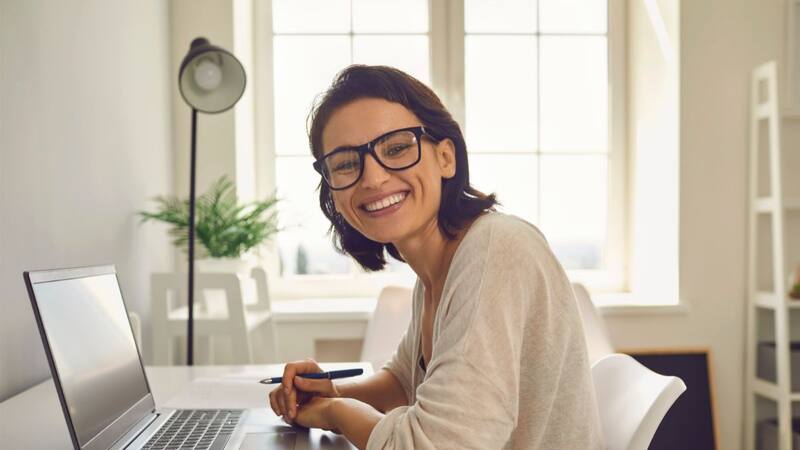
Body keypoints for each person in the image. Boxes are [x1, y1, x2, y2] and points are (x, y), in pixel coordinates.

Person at [268, 64, 603, 449]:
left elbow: (437, 444)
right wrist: (332, 392)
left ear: (446, 157)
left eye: (396, 148)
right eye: (345, 163)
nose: (373, 178)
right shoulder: (436, 271)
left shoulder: (495, 250)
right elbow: (403, 384)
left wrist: (334, 412)